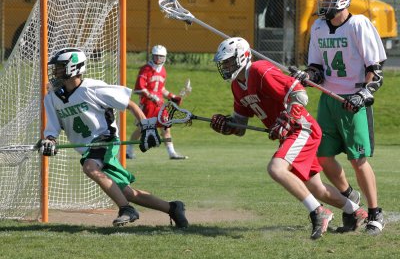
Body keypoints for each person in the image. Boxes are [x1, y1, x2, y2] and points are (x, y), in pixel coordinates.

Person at [210, 37, 368, 239]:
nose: (225, 66)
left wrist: (288, 117)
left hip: (302, 128)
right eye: (223, 63)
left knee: (276, 168)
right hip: (291, 133)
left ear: (243, 57)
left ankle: (318, 212)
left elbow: (300, 93)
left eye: (229, 61)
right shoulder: (236, 86)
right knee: (316, 187)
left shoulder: (260, 70)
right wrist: (227, 126)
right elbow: (240, 126)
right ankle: (355, 211)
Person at [38, 48, 189, 228]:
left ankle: (126, 210)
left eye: (61, 67)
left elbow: (130, 104)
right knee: (126, 191)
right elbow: (53, 126)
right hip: (87, 148)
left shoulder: (93, 88)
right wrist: (50, 140)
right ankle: (173, 208)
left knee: (90, 168)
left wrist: (147, 127)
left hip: (105, 138)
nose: (56, 71)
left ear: (74, 67)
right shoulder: (52, 96)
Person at [289, 0, 385, 235]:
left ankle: (376, 213)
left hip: (353, 100)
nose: (324, 4)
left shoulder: (359, 24)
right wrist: (306, 76)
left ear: (342, 0)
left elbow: (375, 71)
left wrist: (363, 94)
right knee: (322, 156)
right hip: (328, 99)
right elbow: (317, 69)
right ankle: (350, 197)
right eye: (323, 0)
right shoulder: (319, 27)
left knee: (358, 158)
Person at [126, 45, 188, 160]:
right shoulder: (146, 69)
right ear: (152, 56)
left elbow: (162, 89)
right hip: (147, 104)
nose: (158, 59)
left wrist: (172, 97)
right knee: (142, 128)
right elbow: (140, 88)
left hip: (160, 105)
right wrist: (151, 96)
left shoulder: (163, 71)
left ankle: (172, 152)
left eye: (161, 57)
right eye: (156, 56)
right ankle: (128, 151)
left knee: (165, 127)